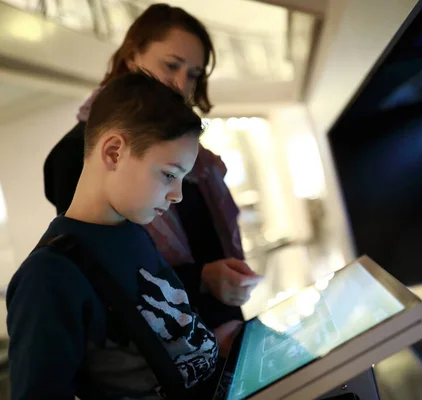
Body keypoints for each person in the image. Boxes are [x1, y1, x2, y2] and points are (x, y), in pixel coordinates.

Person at [8, 72, 242, 399]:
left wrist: (213, 345)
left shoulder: (133, 232)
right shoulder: (48, 276)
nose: (177, 194)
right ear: (114, 153)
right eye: (169, 174)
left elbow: (155, 348)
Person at [43, 4, 261, 330]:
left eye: (194, 75)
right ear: (132, 58)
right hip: (168, 350)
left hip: (220, 333)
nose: (180, 84)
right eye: (171, 65)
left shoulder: (193, 154)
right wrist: (201, 279)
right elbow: (105, 271)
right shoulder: (78, 150)